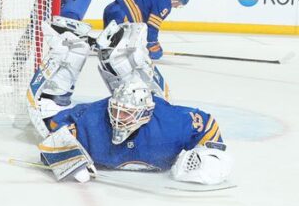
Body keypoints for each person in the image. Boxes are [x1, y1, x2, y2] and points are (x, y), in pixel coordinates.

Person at [37, 79, 231, 186]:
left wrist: (210, 155)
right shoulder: (92, 119)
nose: (118, 118)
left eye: (127, 114)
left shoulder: (171, 123)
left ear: (145, 114)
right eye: (115, 110)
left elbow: (208, 124)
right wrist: (68, 157)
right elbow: (53, 130)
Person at [27, 17, 171, 133]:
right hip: (148, 117)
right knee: (114, 58)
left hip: (146, 118)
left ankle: (53, 98)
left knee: (111, 58)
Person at [103, 0, 189, 60]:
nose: (177, 6)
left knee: (105, 44)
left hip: (112, 8)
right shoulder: (165, 4)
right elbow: (153, 26)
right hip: (122, 15)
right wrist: (153, 46)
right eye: (180, 3)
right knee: (120, 49)